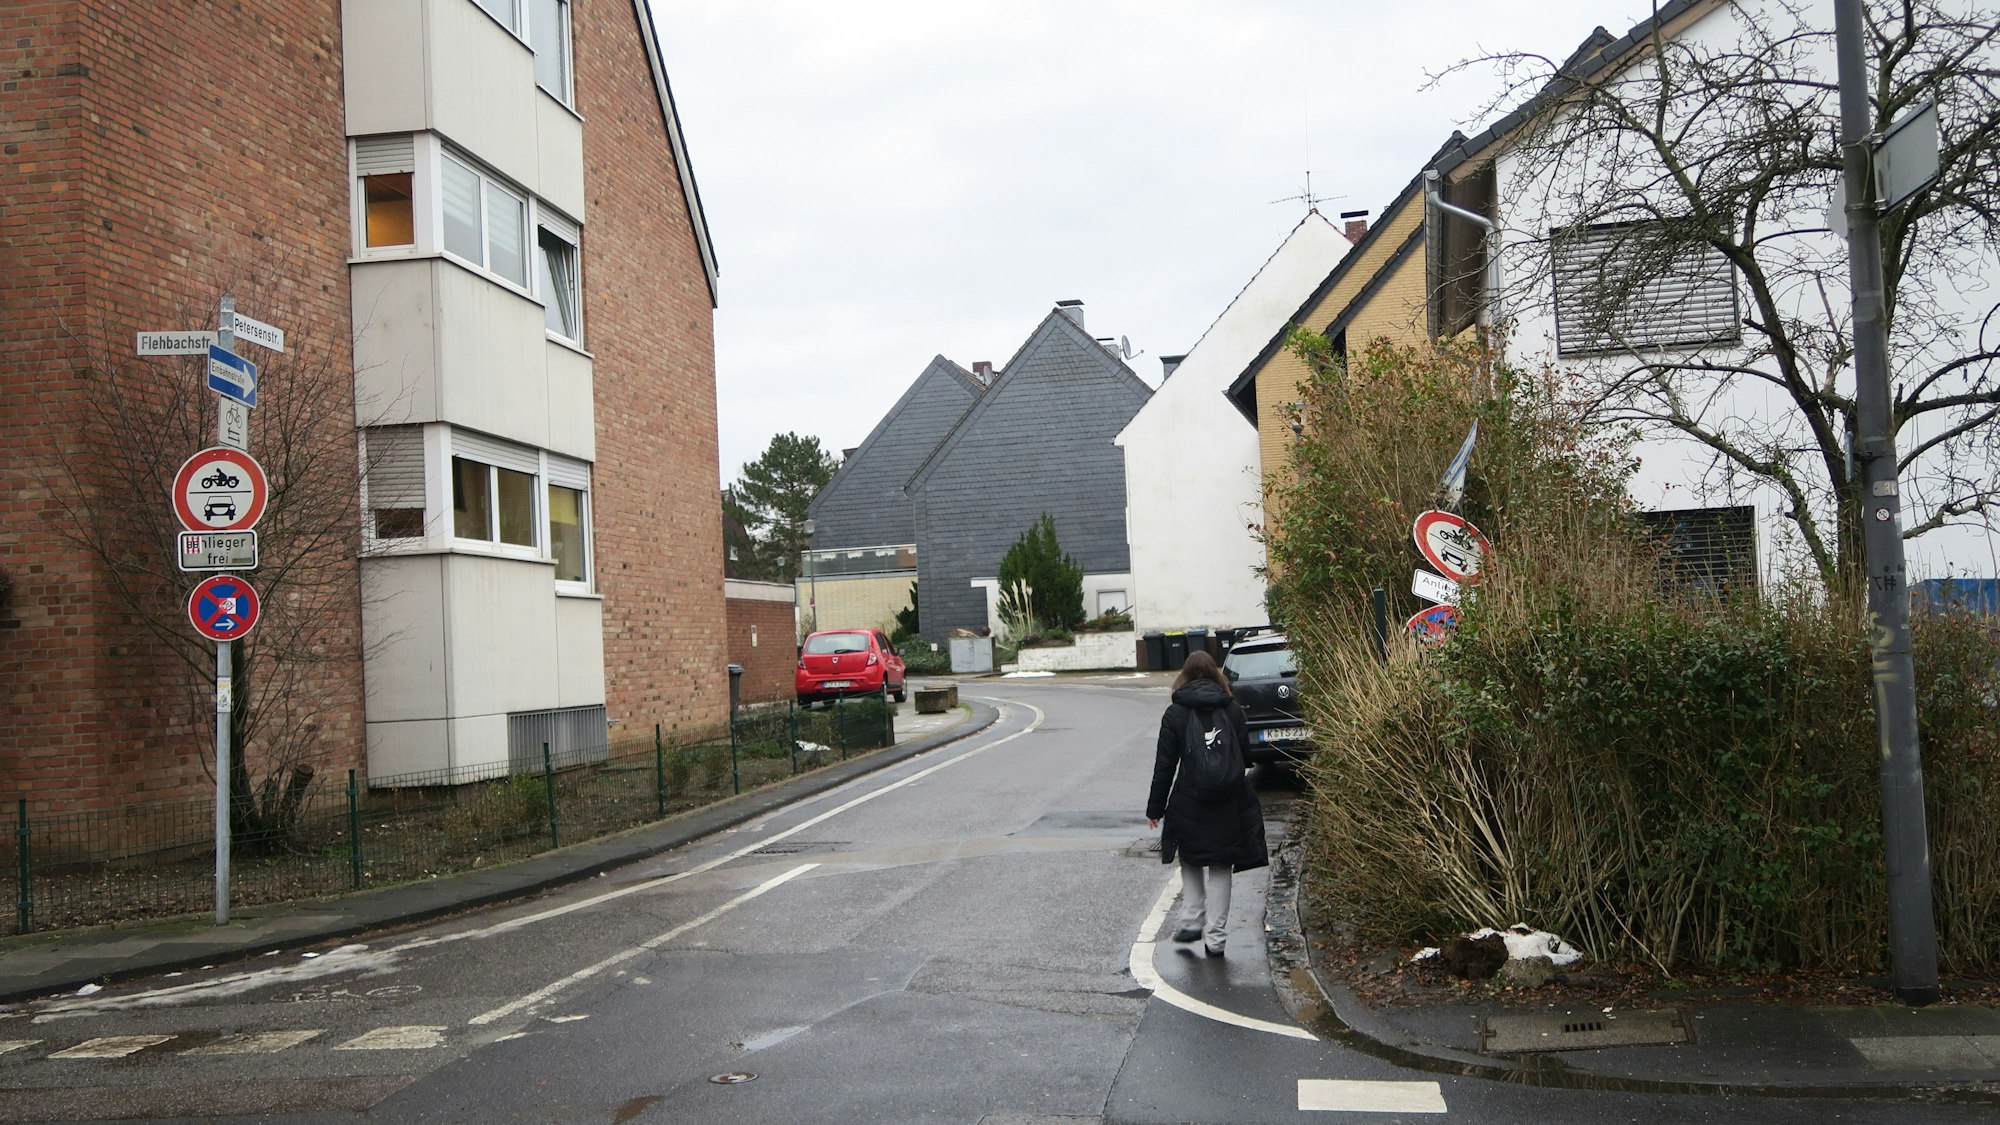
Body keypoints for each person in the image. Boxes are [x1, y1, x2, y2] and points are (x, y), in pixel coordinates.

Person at [1146, 650, 1267, 956]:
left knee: (1190, 856)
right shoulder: (1233, 709)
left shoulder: (1175, 714)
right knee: (1221, 865)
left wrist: (1155, 809)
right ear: (1216, 674)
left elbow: (1165, 765)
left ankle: (1192, 918)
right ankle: (1216, 939)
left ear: (1183, 677)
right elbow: (1247, 757)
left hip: (1190, 800)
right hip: (1230, 800)